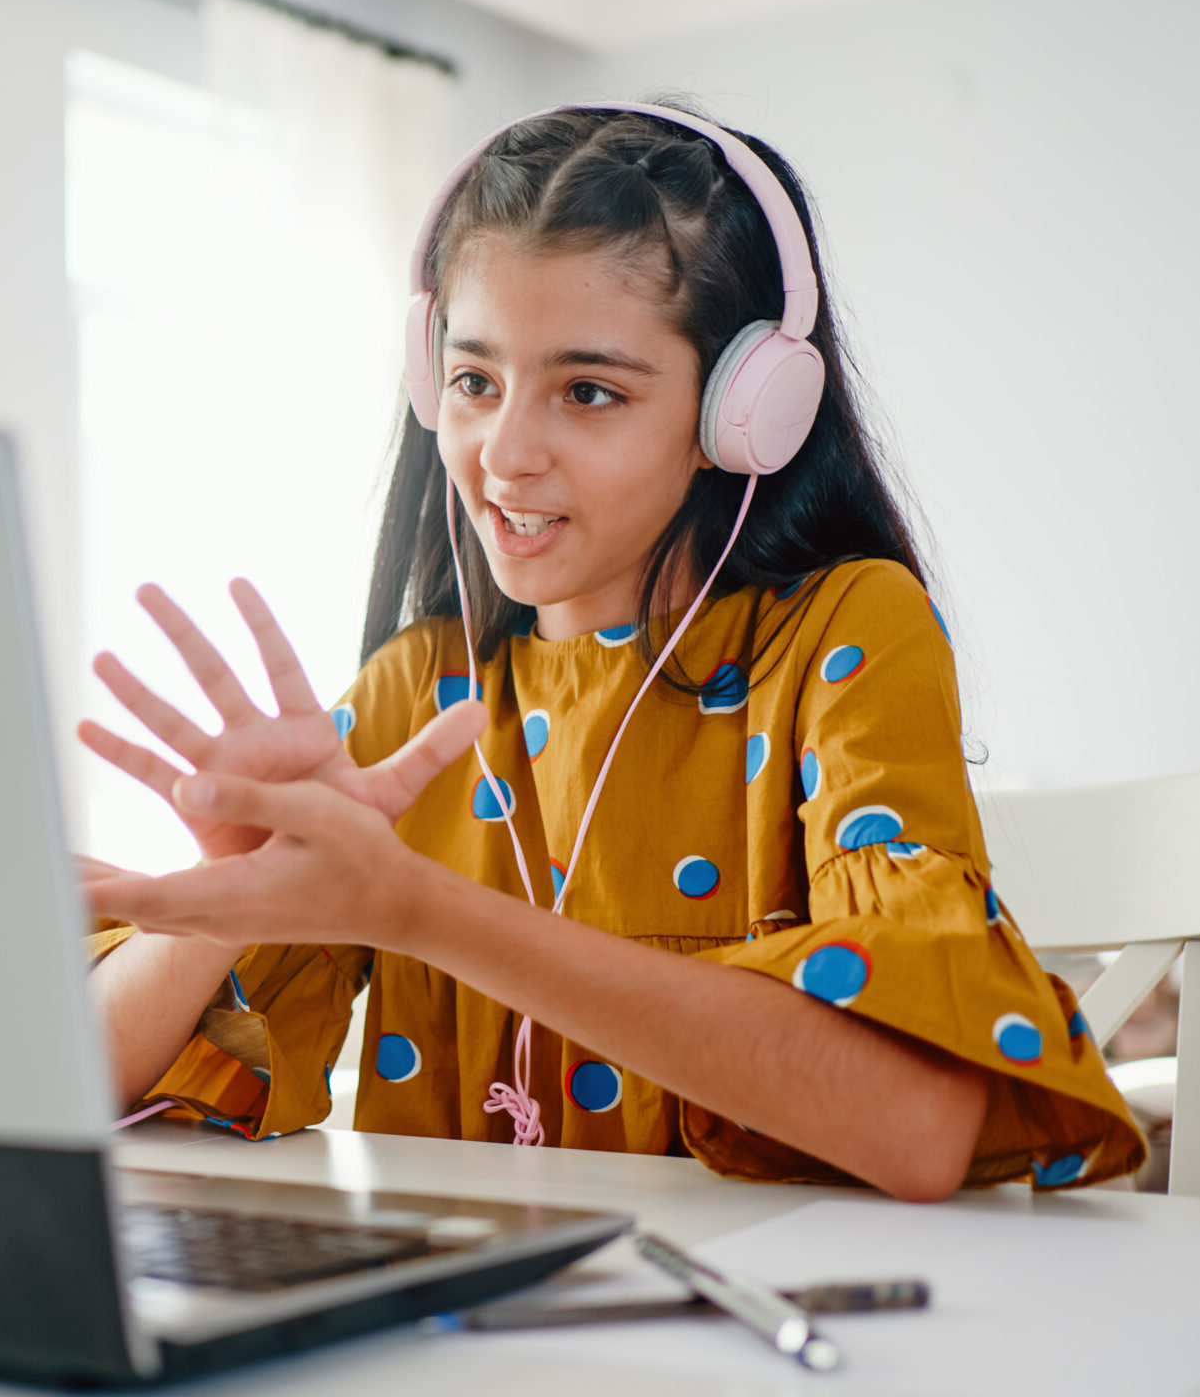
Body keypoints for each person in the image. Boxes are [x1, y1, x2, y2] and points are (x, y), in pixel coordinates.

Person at [78, 102, 1144, 1203]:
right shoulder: (418, 688)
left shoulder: (842, 630)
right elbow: (82, 1091)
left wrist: (414, 908)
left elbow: (919, 1125)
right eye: (473, 380)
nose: (504, 454)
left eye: (588, 391)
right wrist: (224, 893)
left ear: (744, 413)